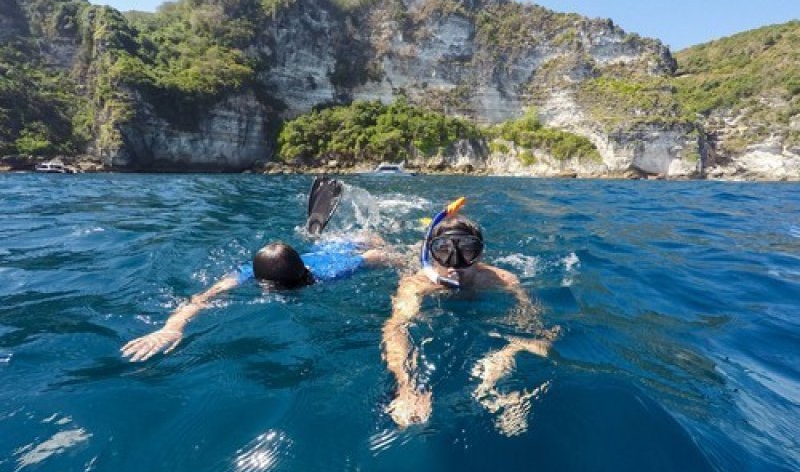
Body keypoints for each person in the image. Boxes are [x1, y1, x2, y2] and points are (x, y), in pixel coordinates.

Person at [122, 177, 398, 362]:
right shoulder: (248, 272)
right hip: (312, 258)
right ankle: (315, 236)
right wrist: (170, 329)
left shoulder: (330, 272)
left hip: (336, 250)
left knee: (367, 239)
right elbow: (205, 296)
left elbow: (375, 253)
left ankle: (320, 236)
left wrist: (394, 256)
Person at [381, 198, 559, 435]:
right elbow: (395, 328)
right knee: (385, 257)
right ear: (432, 255)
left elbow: (541, 332)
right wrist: (406, 385)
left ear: (480, 254)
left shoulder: (501, 281)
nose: (454, 265)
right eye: (443, 252)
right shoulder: (417, 284)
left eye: (467, 252)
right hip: (410, 267)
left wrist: (507, 354)